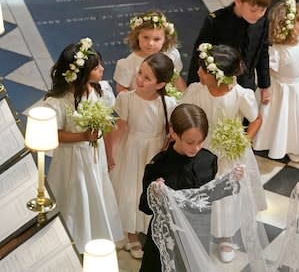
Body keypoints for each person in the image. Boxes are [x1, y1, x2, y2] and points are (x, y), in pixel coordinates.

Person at [181, 44, 267, 261]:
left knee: (226, 194)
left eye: (202, 69)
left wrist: (243, 140)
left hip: (229, 153)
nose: (198, 72)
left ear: (216, 76)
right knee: (203, 188)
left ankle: (225, 236)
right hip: (202, 148)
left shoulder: (240, 95)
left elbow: (256, 119)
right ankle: (201, 228)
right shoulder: (195, 91)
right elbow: (185, 113)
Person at [44, 37, 123, 254]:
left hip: (94, 156)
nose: (102, 69)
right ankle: (73, 237)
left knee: (96, 192)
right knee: (76, 195)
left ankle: (95, 234)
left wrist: (108, 153)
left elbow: (105, 125)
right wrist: (83, 137)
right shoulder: (59, 101)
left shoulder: (101, 90)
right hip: (72, 159)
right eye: (97, 67)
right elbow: (54, 134)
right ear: (81, 73)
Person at [108, 52, 176, 259]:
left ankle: (148, 227)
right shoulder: (126, 99)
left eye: (147, 78)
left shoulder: (169, 103)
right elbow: (117, 129)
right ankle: (131, 234)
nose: (139, 79)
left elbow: (169, 131)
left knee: (149, 191)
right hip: (131, 150)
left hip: (154, 151)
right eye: (140, 73)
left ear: (160, 84)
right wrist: (110, 155)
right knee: (131, 190)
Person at [138, 103, 218, 272]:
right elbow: (145, 207)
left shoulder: (208, 160)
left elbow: (209, 197)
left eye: (200, 142)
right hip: (166, 239)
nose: (196, 148)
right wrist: (154, 193)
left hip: (197, 233)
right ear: (174, 133)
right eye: (190, 142)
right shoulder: (158, 166)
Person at [187, 0, 272, 104]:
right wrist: (192, 89)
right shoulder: (216, 22)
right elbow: (199, 57)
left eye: (263, 10)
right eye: (253, 10)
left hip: (247, 87)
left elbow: (262, 53)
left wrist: (264, 85)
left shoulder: (262, 21)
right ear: (238, 1)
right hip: (218, 88)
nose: (258, 15)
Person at [253, 0, 299, 162]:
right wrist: (264, 88)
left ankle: (293, 145)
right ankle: (269, 140)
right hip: (278, 88)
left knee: (294, 117)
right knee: (276, 115)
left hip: (296, 87)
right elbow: (267, 70)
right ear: (291, 27)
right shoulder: (276, 51)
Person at [113, 10, 186, 94]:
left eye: (156, 39)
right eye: (145, 37)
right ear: (137, 36)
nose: (150, 43)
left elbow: (176, 79)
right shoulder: (129, 63)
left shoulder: (171, 55)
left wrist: (185, 98)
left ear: (165, 39)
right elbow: (122, 89)